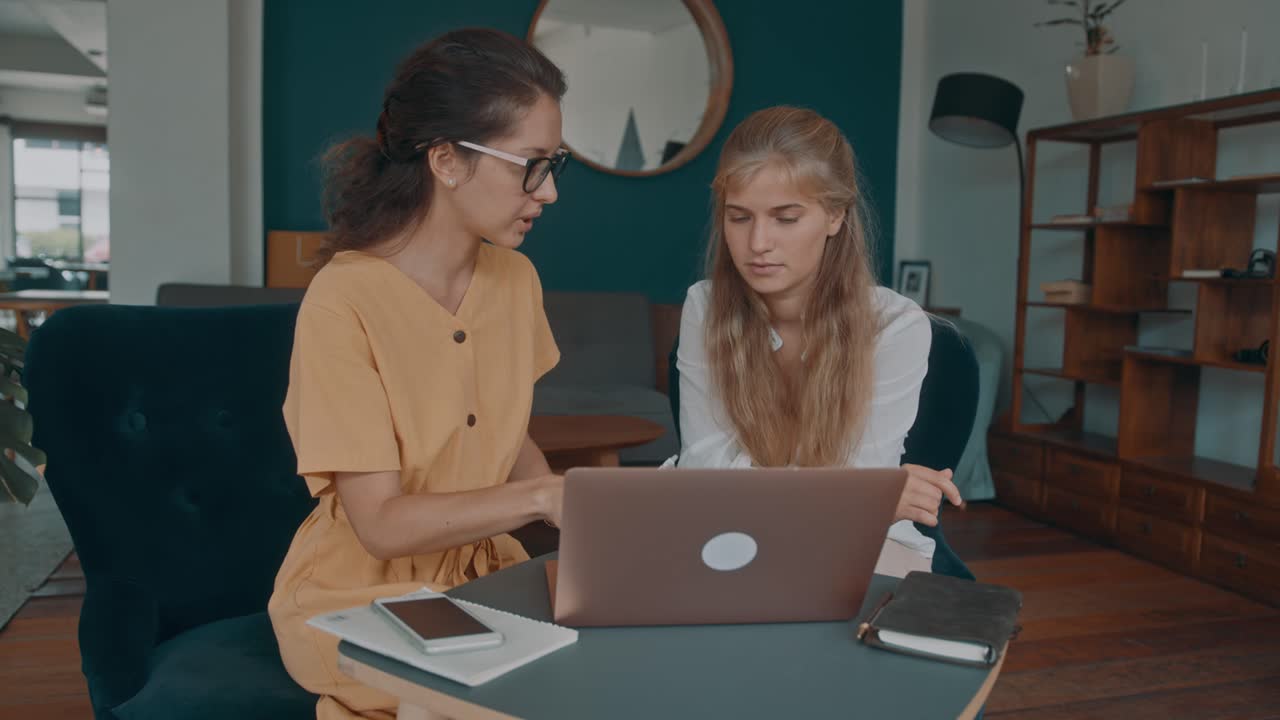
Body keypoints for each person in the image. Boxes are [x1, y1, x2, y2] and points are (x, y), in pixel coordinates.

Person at [267, 28, 570, 720]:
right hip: (352, 595)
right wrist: (541, 500)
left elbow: (511, 439)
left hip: (488, 581)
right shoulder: (344, 300)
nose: (547, 192)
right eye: (530, 165)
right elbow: (382, 526)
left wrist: (595, 525)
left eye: (556, 165)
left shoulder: (516, 281)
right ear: (446, 160)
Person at [673, 106, 963, 577]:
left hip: (855, 542)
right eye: (739, 217)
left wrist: (859, 496)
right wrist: (863, 495)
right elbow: (704, 478)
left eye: (786, 218)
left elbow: (862, 486)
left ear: (835, 215)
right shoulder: (704, 307)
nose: (758, 242)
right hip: (727, 531)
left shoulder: (896, 326)